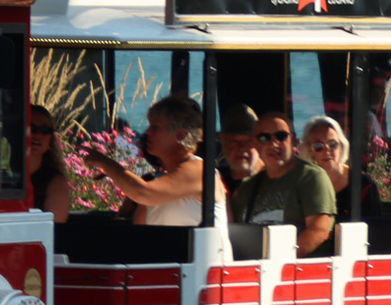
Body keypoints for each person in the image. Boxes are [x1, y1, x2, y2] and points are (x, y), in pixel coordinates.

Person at [90, 96, 219, 226]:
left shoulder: (199, 171)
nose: (148, 132)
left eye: (155, 127)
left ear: (180, 135)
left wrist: (105, 162)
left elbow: (142, 193)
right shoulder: (157, 182)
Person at [234, 114, 337, 255]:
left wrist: (281, 260)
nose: (274, 144)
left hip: (294, 266)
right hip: (253, 265)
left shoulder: (311, 177)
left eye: (281, 136)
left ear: (293, 139)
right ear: (255, 144)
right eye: (264, 138)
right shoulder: (246, 188)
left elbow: (319, 230)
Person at [302, 115, 380, 214]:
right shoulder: (304, 185)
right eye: (318, 146)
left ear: (342, 146)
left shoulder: (363, 183)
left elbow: (375, 221)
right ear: (310, 150)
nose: (327, 151)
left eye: (333, 144)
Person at [27, 103, 71, 221]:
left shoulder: (55, 183)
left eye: (45, 130)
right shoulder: (0, 175)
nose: (37, 135)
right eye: (31, 128)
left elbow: (54, 228)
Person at [215, 103, 262, 190]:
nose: (242, 148)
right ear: (222, 141)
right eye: (235, 141)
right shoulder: (214, 180)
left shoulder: (272, 179)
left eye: (249, 141)